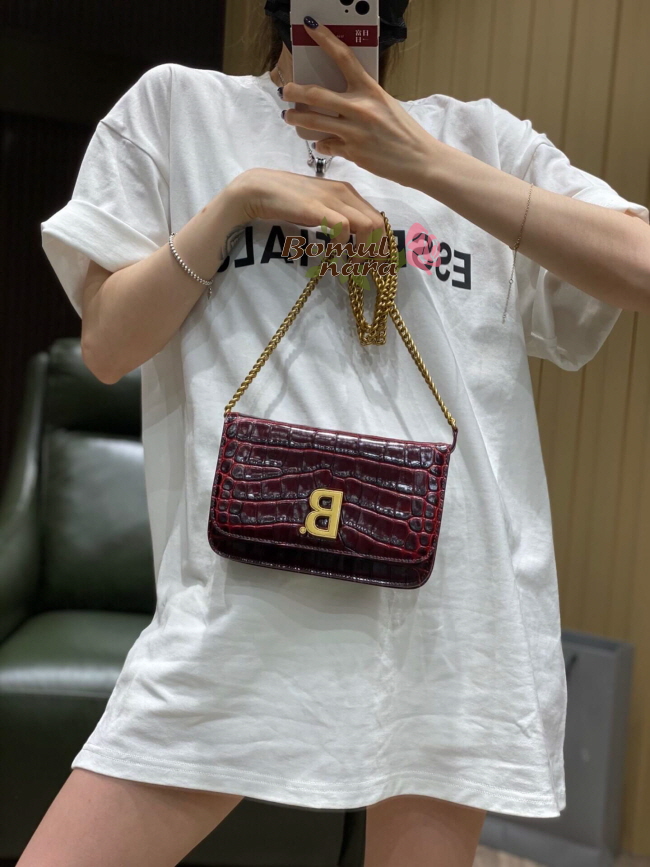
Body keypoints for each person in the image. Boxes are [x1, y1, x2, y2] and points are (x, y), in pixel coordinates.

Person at [29, 1, 650, 866]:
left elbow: (638, 264)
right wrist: (238, 203)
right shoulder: (178, 109)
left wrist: (423, 163)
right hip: (240, 606)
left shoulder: (482, 139)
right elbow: (107, 345)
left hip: (451, 616)